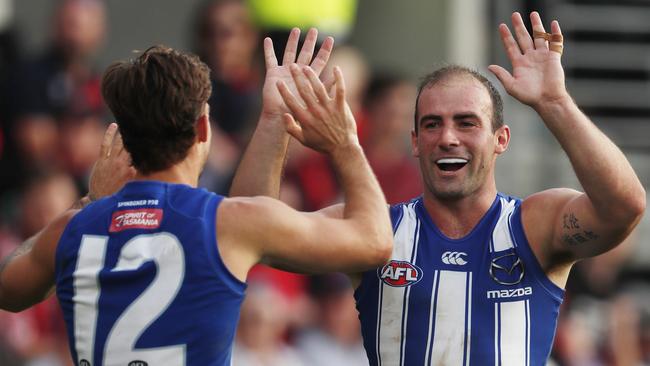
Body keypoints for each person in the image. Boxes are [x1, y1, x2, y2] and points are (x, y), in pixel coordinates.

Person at [230, 12, 646, 365]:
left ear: (501, 139)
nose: (448, 137)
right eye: (432, 124)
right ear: (414, 142)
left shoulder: (534, 225)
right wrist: (273, 120)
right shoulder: (376, 234)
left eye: (466, 122)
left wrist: (555, 101)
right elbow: (251, 231)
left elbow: (623, 206)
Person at [0, 28, 393, 366]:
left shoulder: (74, 228)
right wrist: (344, 143)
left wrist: (88, 200)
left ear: (125, 136)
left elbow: (7, 290)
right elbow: (374, 242)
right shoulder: (228, 224)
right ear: (204, 128)